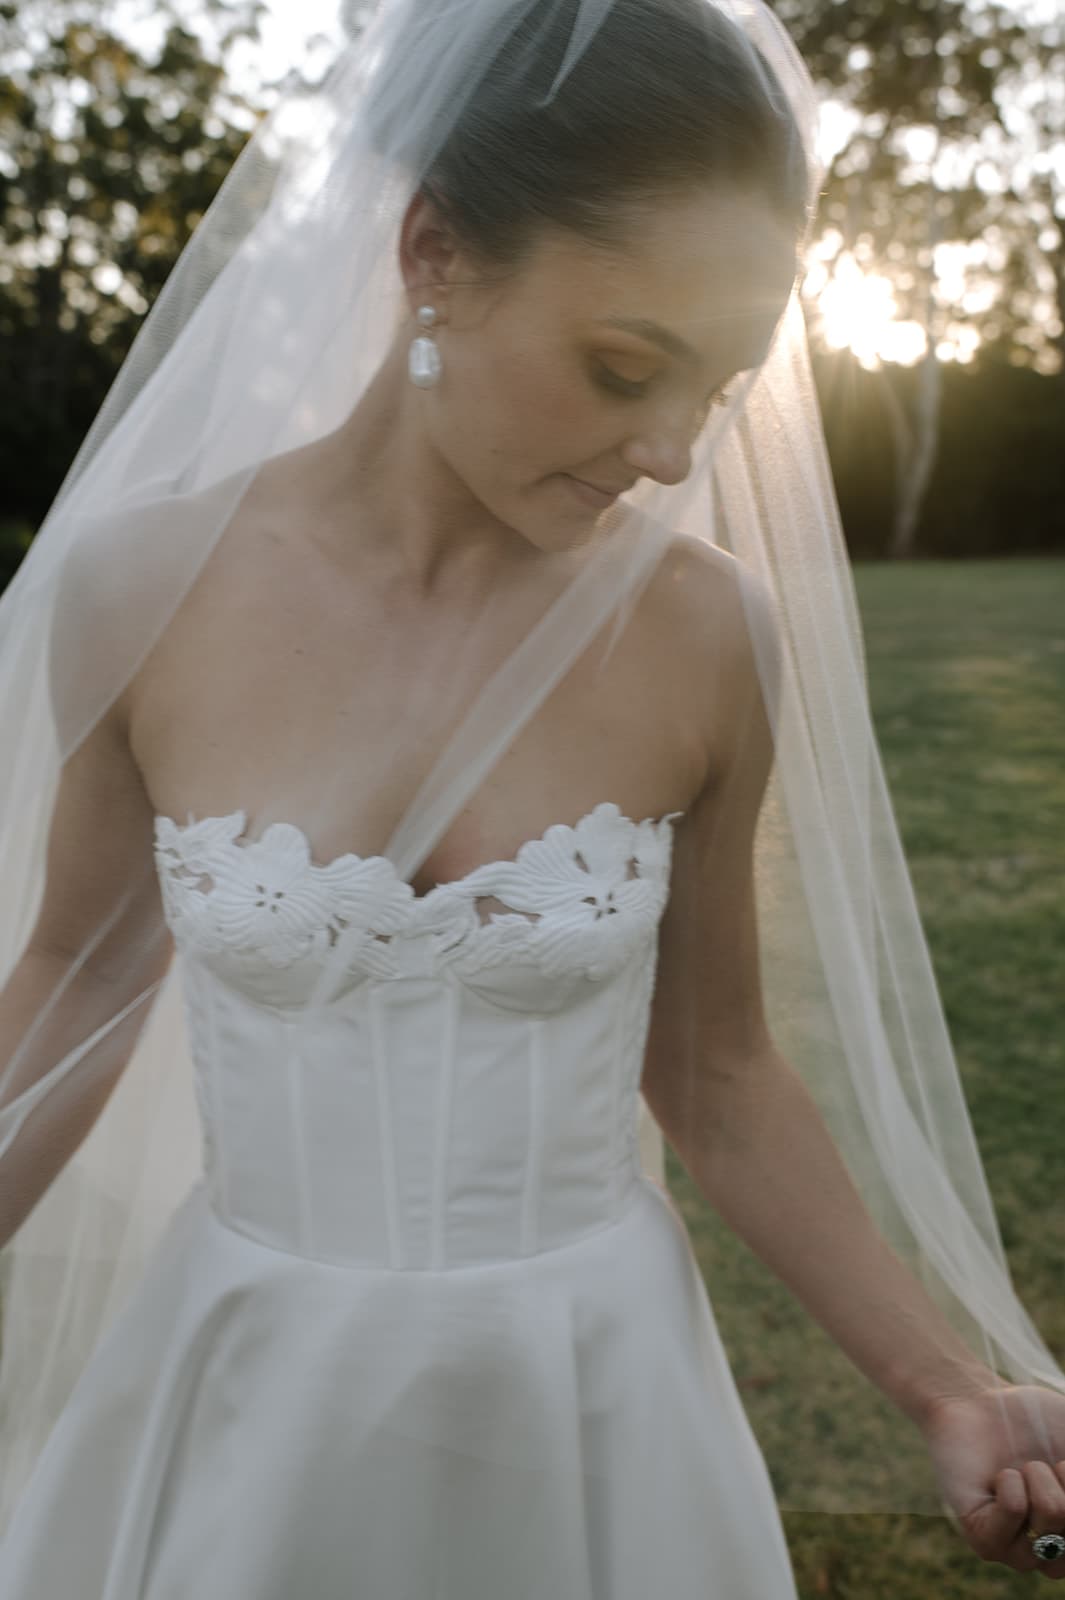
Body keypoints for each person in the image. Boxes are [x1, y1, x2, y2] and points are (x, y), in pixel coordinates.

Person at [1, 0, 1064, 1593]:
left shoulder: (705, 634)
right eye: (624, 367)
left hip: (586, 1394)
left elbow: (715, 1070)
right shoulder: (142, 588)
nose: (668, 451)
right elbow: (79, 978)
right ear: (433, 250)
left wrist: (945, 1387)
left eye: (715, 389)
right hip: (252, 1383)